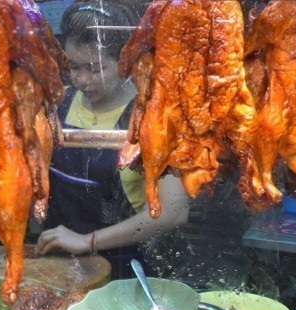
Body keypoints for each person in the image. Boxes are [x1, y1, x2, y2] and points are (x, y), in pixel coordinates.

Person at [35, 1, 189, 276]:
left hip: (125, 268)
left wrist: (89, 241)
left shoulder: (150, 116)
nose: (81, 79)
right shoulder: (57, 104)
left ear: (124, 62)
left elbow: (173, 211)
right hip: (60, 264)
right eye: (73, 66)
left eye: (94, 69)